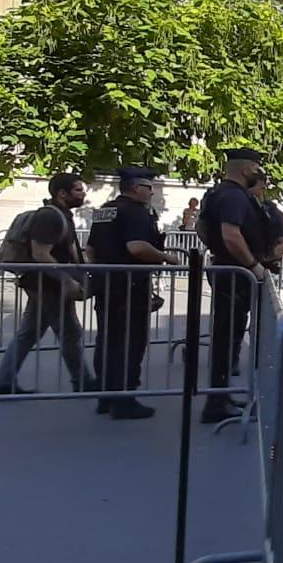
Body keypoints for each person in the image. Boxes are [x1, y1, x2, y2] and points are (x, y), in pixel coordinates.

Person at [87, 168, 184, 419]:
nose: (152, 192)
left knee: (107, 340)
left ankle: (106, 397)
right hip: (130, 286)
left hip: (106, 283)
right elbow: (137, 247)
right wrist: (166, 257)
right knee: (130, 342)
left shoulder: (104, 210)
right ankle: (124, 400)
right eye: (149, 187)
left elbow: (90, 248)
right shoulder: (137, 213)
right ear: (135, 188)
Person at [196, 149, 282, 423]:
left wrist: (217, 250)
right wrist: (252, 265)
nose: (260, 172)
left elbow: (202, 227)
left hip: (227, 271)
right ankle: (216, 403)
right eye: (257, 167)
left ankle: (219, 396)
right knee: (227, 335)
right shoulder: (234, 195)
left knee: (227, 336)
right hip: (235, 275)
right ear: (247, 171)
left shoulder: (216, 193)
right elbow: (231, 235)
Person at [0, 173, 93, 396]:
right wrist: (65, 279)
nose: (83, 194)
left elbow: (70, 249)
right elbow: (40, 253)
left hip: (46, 283)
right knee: (69, 332)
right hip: (47, 285)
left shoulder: (62, 215)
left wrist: (87, 267)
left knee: (29, 333)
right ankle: (83, 380)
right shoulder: (50, 217)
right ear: (62, 193)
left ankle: (4, 382)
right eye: (78, 190)